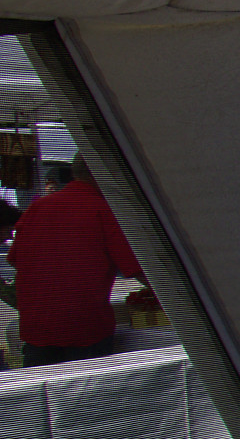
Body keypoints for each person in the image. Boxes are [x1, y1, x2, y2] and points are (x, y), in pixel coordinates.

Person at [7, 156, 144, 368]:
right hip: (84, 329)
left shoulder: (37, 208)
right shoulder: (103, 209)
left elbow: (15, 259)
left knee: (43, 388)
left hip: (37, 327)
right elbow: (138, 268)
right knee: (90, 388)